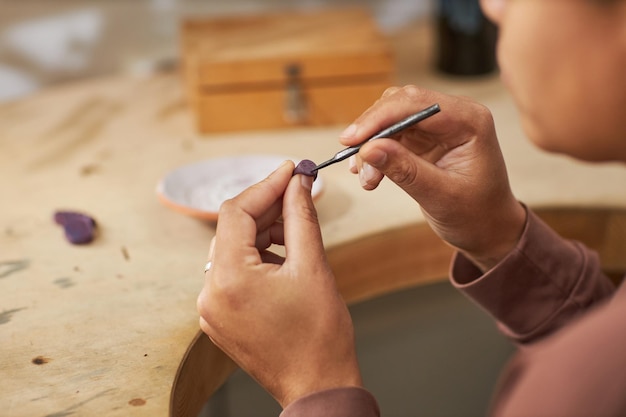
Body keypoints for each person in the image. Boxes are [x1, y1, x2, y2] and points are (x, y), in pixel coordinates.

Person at [197, 0, 626, 415]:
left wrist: (315, 387)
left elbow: (594, 373)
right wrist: (498, 235)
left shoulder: (576, 387)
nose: (491, 6)